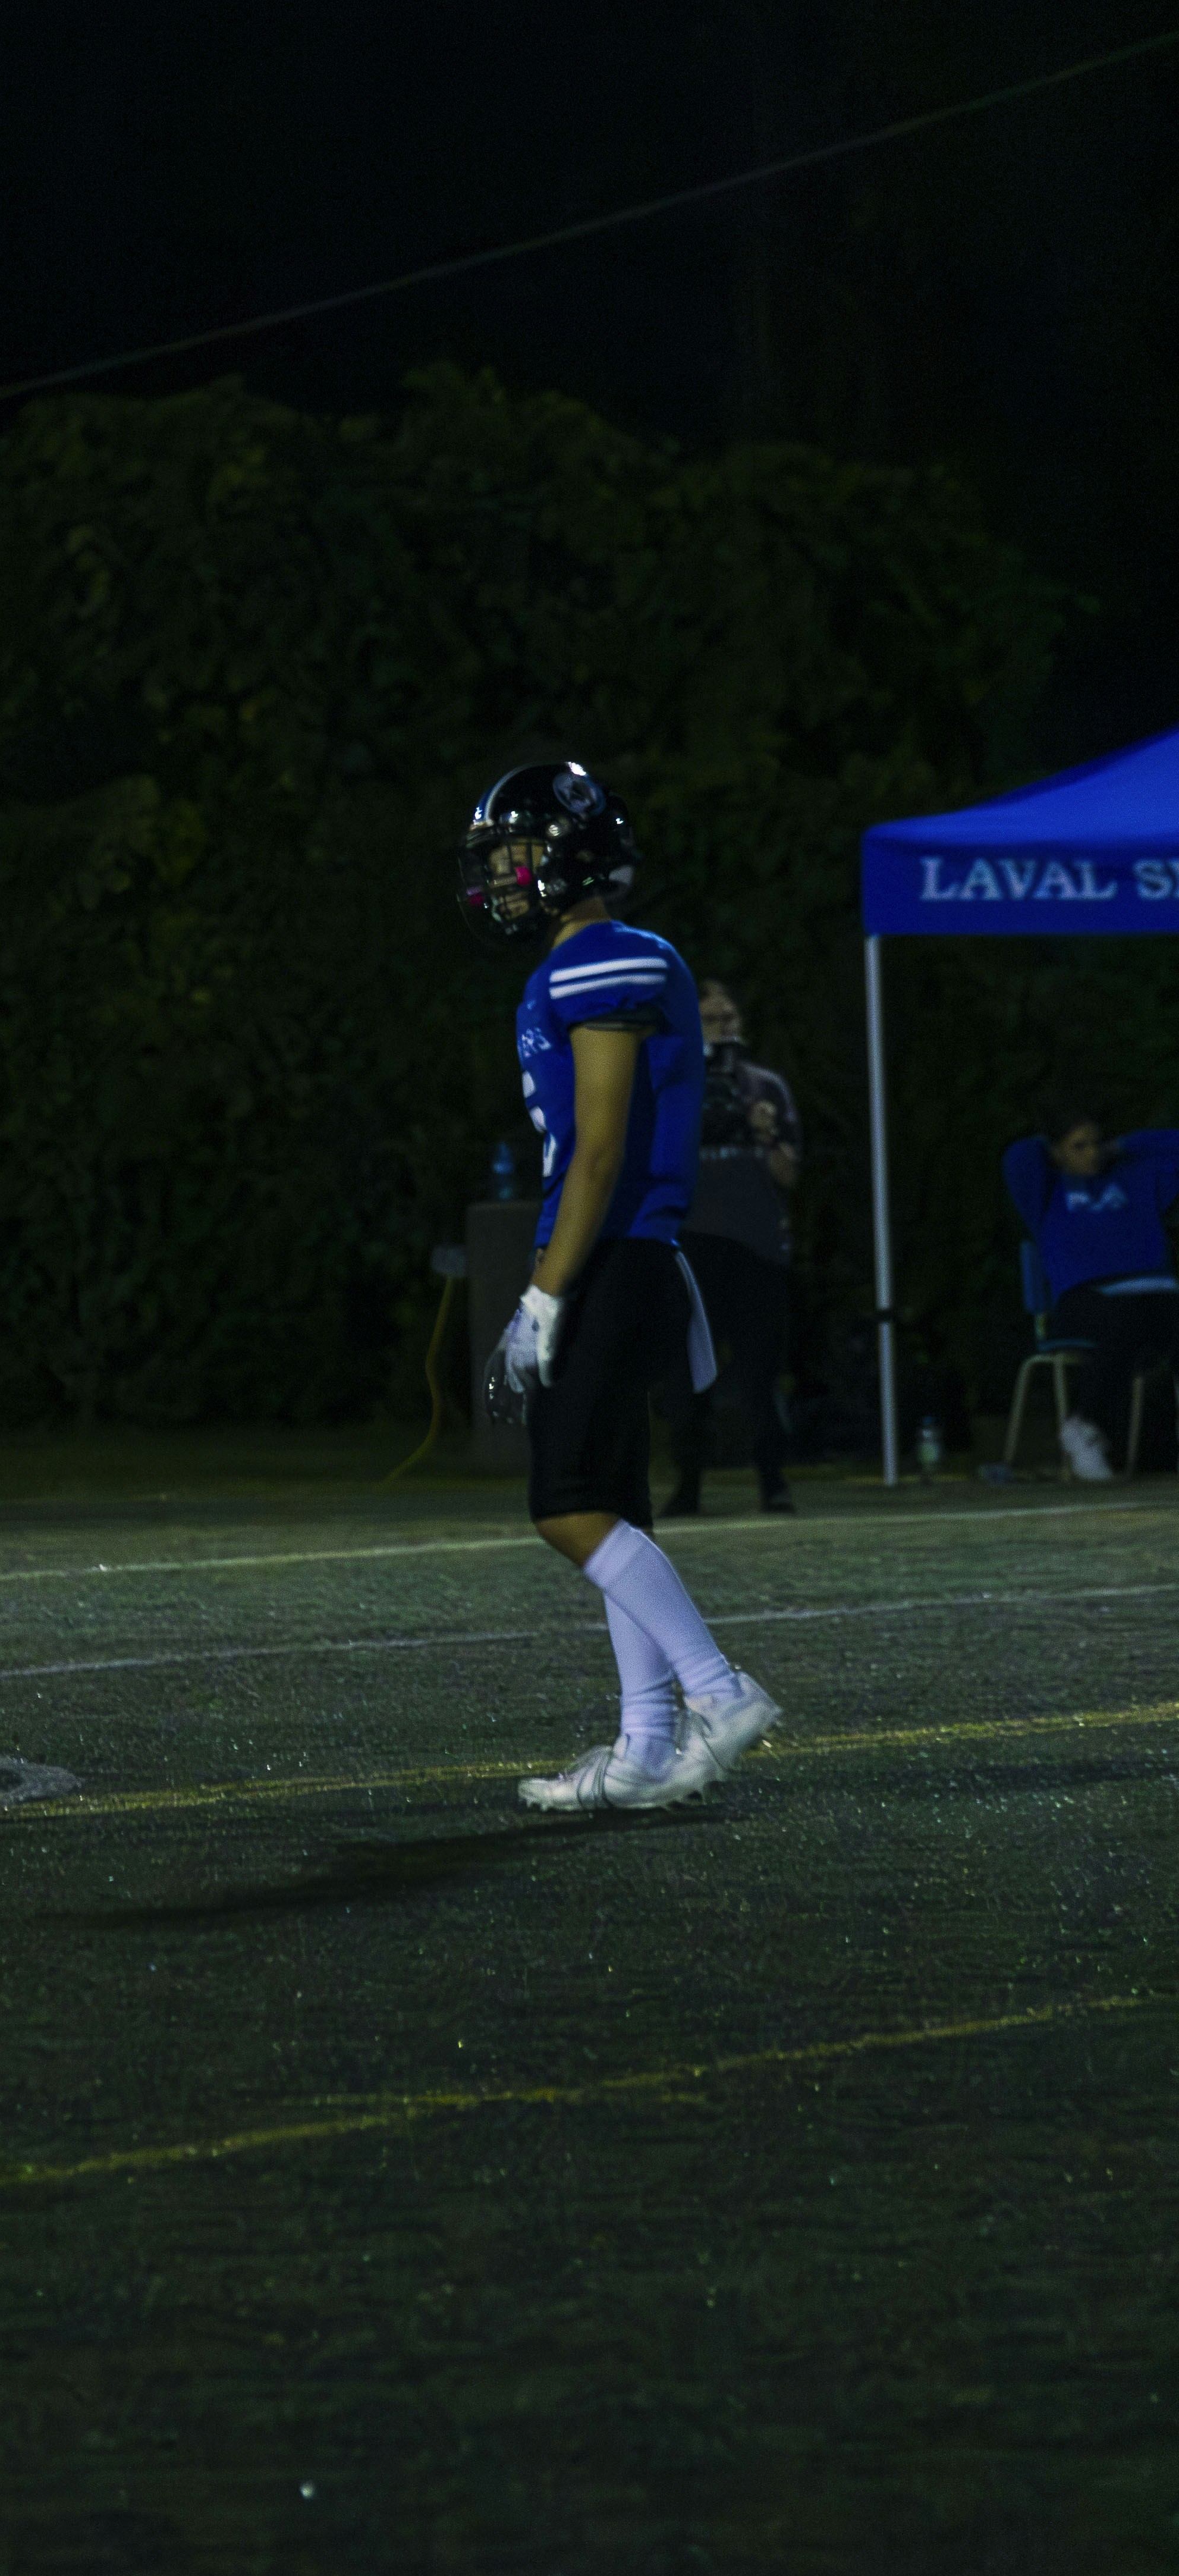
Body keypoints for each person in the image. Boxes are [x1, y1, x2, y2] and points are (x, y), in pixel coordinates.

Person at [456, 761, 782, 1813]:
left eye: (516, 855)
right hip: (613, 1255)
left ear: (566, 852)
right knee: (607, 1500)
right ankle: (644, 1742)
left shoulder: (608, 956)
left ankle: (719, 1690)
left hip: (616, 1254)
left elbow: (597, 1150)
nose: (503, 877)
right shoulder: (587, 960)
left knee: (562, 1504)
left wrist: (547, 1291)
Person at [659, 979, 803, 1517]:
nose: (726, 1027)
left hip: (757, 1244)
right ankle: (688, 1484)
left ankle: (773, 1480)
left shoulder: (765, 1086)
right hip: (692, 1243)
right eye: (713, 1019)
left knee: (760, 1370)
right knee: (688, 1371)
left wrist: (764, 1134)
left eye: (730, 1018)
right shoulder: (671, 1083)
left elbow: (790, 1174)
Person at [1002, 1112, 1179, 1482]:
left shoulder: (1137, 1176)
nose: (1092, 1154)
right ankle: (1085, 1425)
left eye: (1097, 1143)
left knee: (1155, 1317)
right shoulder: (1047, 1189)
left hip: (1152, 1290)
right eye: (1079, 1147)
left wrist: (1127, 1145)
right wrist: (1054, 1150)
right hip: (1085, 1296)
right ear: (1057, 1153)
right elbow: (1019, 1156)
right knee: (1121, 1324)